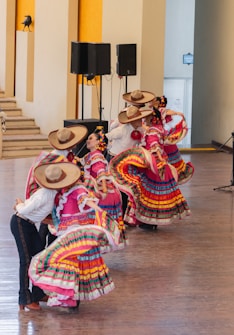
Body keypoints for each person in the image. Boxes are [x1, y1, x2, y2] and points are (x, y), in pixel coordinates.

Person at [28, 162, 122, 309]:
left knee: (68, 262)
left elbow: (87, 201)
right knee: (71, 264)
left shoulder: (78, 190)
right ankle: (70, 296)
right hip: (68, 232)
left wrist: (100, 211)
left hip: (75, 233)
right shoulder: (64, 192)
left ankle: (69, 297)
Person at [109, 105, 190, 231]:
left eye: (144, 118)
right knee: (151, 193)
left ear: (150, 118)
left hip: (153, 164)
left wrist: (156, 158)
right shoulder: (156, 128)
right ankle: (148, 221)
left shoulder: (152, 131)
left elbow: (154, 146)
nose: (143, 120)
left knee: (148, 192)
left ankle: (148, 221)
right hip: (154, 162)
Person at [10, 164, 66, 311]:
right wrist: (18, 204)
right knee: (26, 260)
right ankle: (24, 298)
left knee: (39, 256)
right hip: (20, 222)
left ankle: (37, 293)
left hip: (28, 223)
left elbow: (41, 216)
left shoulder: (52, 194)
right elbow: (24, 209)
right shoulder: (44, 194)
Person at [25, 125, 88, 247]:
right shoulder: (58, 159)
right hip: (52, 195)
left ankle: (42, 251)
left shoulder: (58, 156)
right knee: (53, 226)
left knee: (48, 226)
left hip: (54, 195)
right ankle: (48, 252)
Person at [78, 129, 127, 246]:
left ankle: (96, 243)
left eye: (91, 139)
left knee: (98, 221)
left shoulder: (97, 157)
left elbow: (101, 174)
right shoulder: (90, 155)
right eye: (88, 138)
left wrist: (104, 191)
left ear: (98, 142)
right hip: (94, 189)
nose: (87, 141)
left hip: (101, 192)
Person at [105, 105, 153, 220]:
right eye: (138, 120)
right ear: (132, 121)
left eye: (140, 119)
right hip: (115, 160)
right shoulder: (120, 131)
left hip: (128, 161)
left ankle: (125, 214)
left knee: (127, 188)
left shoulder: (141, 130)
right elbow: (105, 137)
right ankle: (116, 213)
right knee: (116, 187)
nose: (140, 121)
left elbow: (141, 142)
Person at [149, 95, 194, 184]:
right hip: (154, 135)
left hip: (158, 135)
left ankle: (167, 176)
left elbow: (168, 112)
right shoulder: (150, 112)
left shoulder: (159, 111)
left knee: (161, 156)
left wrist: (177, 113)